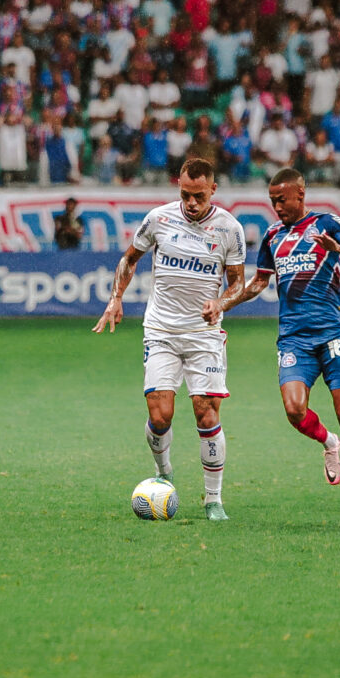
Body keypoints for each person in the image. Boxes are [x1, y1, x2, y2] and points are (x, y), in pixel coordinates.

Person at [93, 158, 247, 521]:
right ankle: (163, 473)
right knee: (160, 415)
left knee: (205, 411)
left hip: (203, 334)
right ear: (177, 185)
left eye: (199, 196)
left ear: (213, 190)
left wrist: (221, 301)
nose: (192, 203)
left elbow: (239, 282)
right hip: (160, 330)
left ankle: (213, 500)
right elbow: (129, 259)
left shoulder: (230, 229)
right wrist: (116, 298)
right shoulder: (159, 219)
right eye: (185, 194)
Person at [220, 168, 340, 513]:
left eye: (281, 199)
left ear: (300, 195)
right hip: (294, 338)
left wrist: (339, 250)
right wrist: (223, 304)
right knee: (294, 411)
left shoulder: (328, 223)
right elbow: (259, 284)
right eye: (272, 201)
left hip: (334, 331)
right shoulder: (273, 236)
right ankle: (328, 441)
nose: (276, 207)